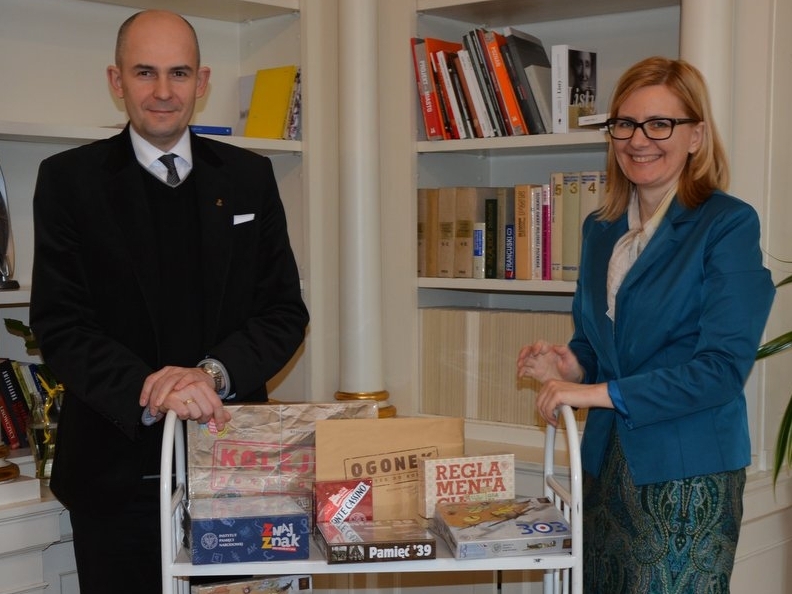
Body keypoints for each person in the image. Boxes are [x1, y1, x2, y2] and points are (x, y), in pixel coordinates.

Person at [29, 10, 309, 594]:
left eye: (179, 73)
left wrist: (210, 375)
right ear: (116, 80)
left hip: (235, 474)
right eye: (145, 72)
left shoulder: (250, 177)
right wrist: (151, 389)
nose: (163, 91)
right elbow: (61, 324)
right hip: (112, 480)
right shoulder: (67, 181)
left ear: (201, 82)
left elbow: (284, 312)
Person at [517, 56, 775, 593]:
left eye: (660, 124)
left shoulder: (728, 224)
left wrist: (594, 392)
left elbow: (721, 371)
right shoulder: (600, 228)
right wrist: (573, 364)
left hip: (687, 477)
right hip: (604, 468)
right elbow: (600, 346)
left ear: (696, 136)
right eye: (625, 124)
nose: (639, 140)